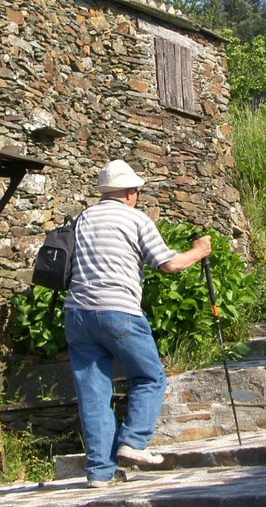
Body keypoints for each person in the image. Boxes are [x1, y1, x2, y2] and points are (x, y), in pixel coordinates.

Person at [64, 159, 212, 488]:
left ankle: (99, 473)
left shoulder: (83, 219)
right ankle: (133, 442)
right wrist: (199, 252)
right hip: (118, 311)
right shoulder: (135, 219)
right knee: (149, 377)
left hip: (76, 314)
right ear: (131, 192)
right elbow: (169, 264)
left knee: (93, 394)